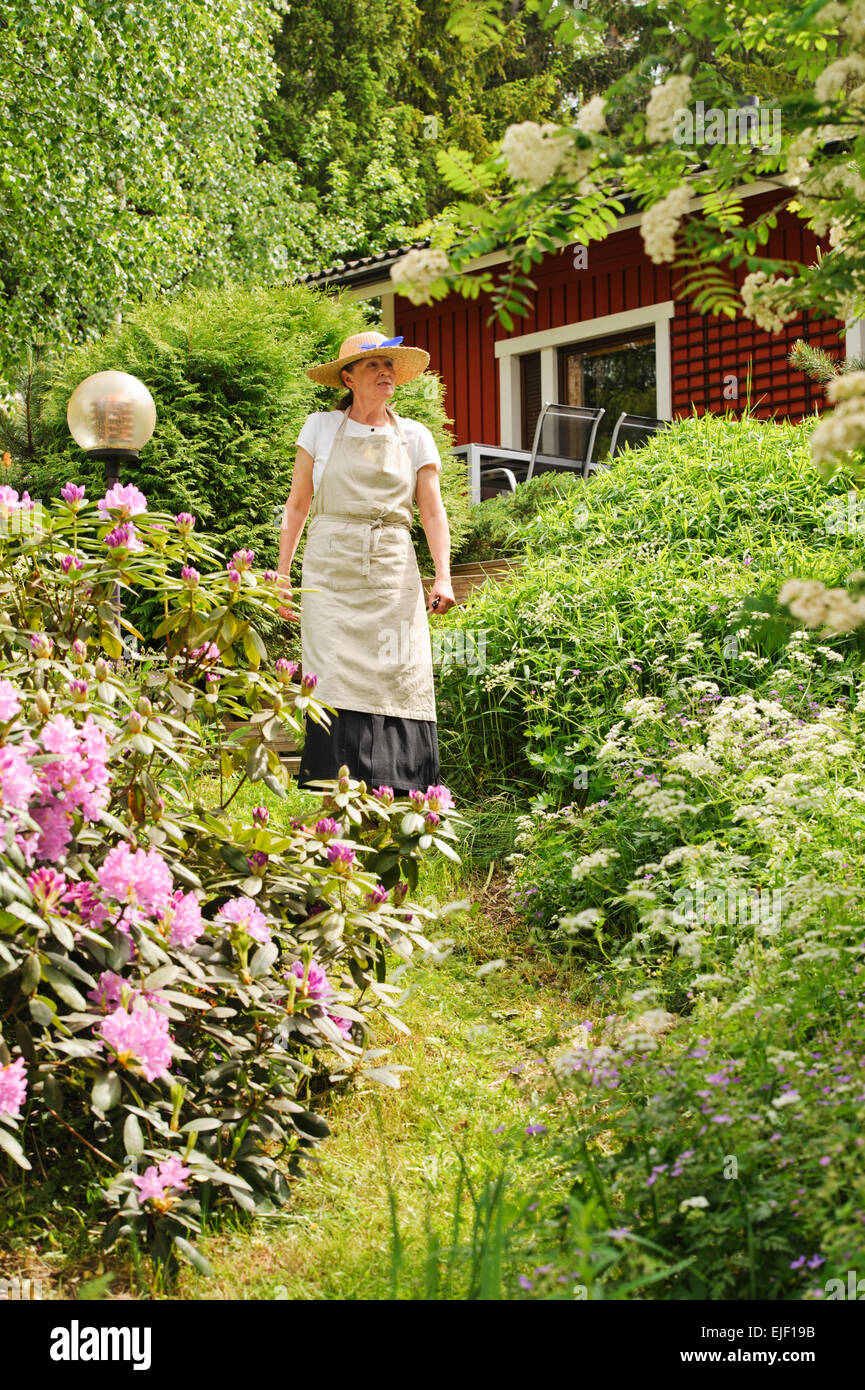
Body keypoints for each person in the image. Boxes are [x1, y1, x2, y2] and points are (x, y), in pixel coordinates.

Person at [277, 330, 456, 795]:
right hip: (330, 569)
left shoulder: (415, 435)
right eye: (373, 365)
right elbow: (298, 504)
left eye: (390, 365)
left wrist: (443, 574)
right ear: (348, 378)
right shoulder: (318, 427)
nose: (385, 373)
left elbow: (433, 510)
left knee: (398, 665)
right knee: (333, 668)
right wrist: (280, 576)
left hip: (392, 568)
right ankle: (337, 791)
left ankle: (400, 789)